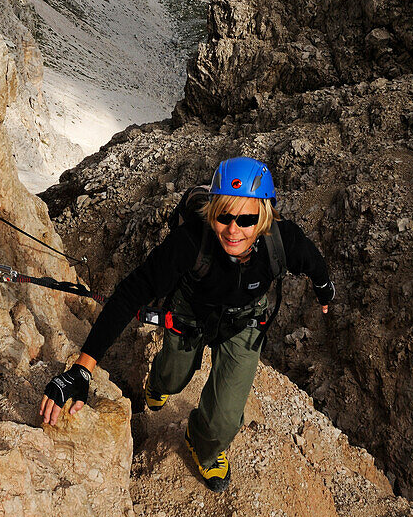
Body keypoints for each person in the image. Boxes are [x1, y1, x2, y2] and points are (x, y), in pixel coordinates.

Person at [40, 156, 335, 491]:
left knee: (224, 421)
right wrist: (82, 368)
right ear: (213, 212)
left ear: (264, 216)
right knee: (171, 377)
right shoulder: (191, 242)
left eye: (246, 218)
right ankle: (159, 385)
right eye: (224, 215)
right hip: (191, 315)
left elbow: (314, 262)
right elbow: (129, 294)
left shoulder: (282, 241)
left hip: (244, 325)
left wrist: (325, 290)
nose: (233, 229)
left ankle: (202, 446)